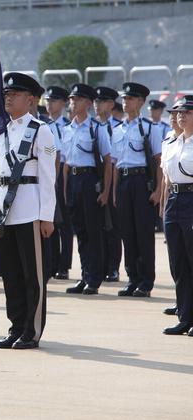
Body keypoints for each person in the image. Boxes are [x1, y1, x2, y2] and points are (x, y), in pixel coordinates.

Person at [0, 72, 56, 349]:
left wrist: (46, 216)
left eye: (14, 94)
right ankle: (15, 326)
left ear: (30, 100)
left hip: (30, 211)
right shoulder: (2, 134)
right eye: (6, 94)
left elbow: (48, 176)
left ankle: (32, 330)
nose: (8, 98)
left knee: (32, 275)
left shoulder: (41, 130)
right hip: (6, 211)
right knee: (11, 274)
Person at [112, 82, 163, 297]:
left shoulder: (151, 128)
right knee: (127, 233)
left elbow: (158, 162)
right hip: (123, 182)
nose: (126, 102)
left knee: (143, 233)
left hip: (141, 182)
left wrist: (158, 190)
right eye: (124, 99)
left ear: (141, 102)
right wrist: (114, 191)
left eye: (130, 99)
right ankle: (132, 278)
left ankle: (146, 281)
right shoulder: (116, 129)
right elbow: (115, 164)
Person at [62, 84, 112, 296]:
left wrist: (105, 192)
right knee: (80, 232)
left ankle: (94, 279)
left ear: (88, 103)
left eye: (78, 99)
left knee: (93, 232)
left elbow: (108, 161)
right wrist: (64, 189)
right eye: (72, 99)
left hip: (89, 180)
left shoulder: (96, 128)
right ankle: (84, 276)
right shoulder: (67, 129)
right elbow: (65, 163)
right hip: (73, 180)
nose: (73, 102)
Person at [161, 95, 193, 337]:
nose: (181, 115)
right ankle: (185, 317)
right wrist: (164, 208)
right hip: (175, 201)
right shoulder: (171, 142)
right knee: (178, 263)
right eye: (178, 112)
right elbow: (167, 179)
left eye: (187, 112)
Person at [94, 86, 124, 282]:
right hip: (94, 181)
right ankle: (100, 266)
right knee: (97, 227)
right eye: (96, 101)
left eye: (102, 101)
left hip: (113, 181)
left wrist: (110, 190)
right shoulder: (92, 126)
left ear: (111, 104)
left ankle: (113, 267)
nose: (97, 105)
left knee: (112, 227)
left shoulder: (117, 128)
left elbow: (114, 161)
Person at [44, 86, 72, 281]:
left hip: (63, 174)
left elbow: (61, 155)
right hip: (48, 174)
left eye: (53, 100)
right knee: (49, 219)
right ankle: (52, 262)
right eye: (47, 100)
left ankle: (64, 264)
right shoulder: (43, 124)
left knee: (65, 224)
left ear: (63, 103)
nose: (49, 104)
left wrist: (56, 180)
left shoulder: (67, 126)